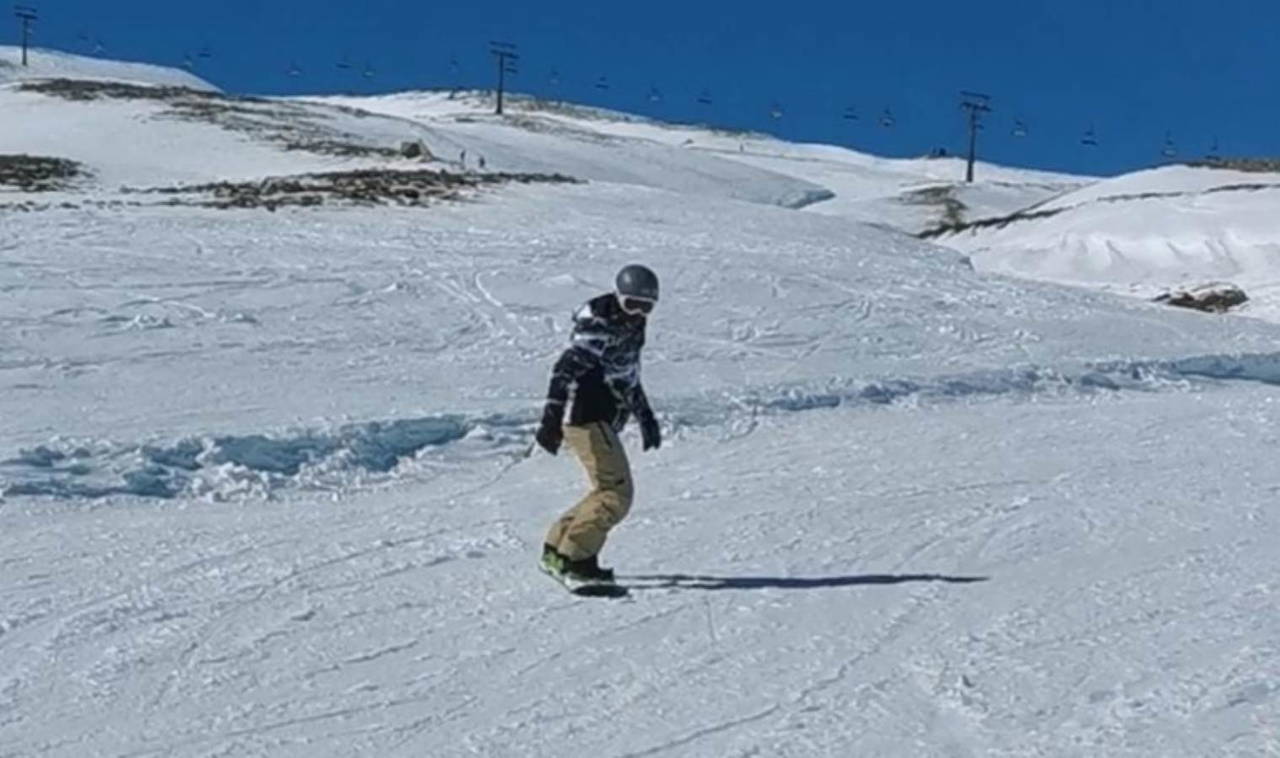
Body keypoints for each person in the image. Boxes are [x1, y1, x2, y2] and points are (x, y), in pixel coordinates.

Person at [535, 264, 663, 585]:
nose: (638, 313)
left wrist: (645, 415)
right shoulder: (600, 323)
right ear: (618, 296)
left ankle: (556, 549)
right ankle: (576, 561)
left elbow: (626, 374)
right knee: (616, 494)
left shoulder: (630, 324)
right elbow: (564, 370)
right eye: (632, 304)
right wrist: (551, 418)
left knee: (604, 490)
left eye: (646, 306)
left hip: (596, 417)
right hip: (585, 416)